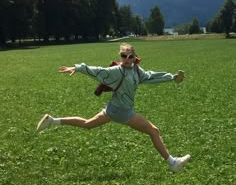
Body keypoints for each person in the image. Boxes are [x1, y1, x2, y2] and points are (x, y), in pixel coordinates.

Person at [37, 43, 190, 173]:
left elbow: (150, 76)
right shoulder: (117, 71)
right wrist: (77, 68)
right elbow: (97, 71)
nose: (127, 59)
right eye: (124, 56)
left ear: (135, 57)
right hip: (123, 112)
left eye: (130, 56)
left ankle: (53, 121)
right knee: (154, 131)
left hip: (112, 108)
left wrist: (172, 77)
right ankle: (173, 163)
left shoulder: (136, 70)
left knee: (88, 124)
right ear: (120, 57)